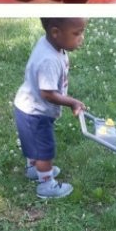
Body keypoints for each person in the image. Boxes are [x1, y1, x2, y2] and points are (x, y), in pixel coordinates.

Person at [13, 18, 88, 200]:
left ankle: (34, 168)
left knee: (33, 142)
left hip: (26, 106)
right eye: (76, 33)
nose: (82, 38)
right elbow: (48, 93)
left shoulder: (49, 43)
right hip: (35, 112)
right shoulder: (49, 60)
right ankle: (46, 184)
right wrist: (72, 102)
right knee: (44, 149)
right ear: (56, 32)